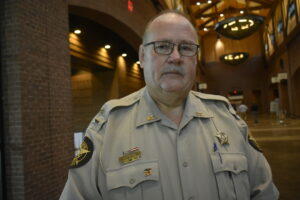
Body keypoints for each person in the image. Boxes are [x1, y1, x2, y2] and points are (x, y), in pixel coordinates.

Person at [60, 10, 279, 200]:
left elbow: (264, 192)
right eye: (162, 46)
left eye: (185, 48)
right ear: (143, 56)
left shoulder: (228, 120)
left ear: (195, 59)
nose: (175, 57)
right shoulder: (107, 128)